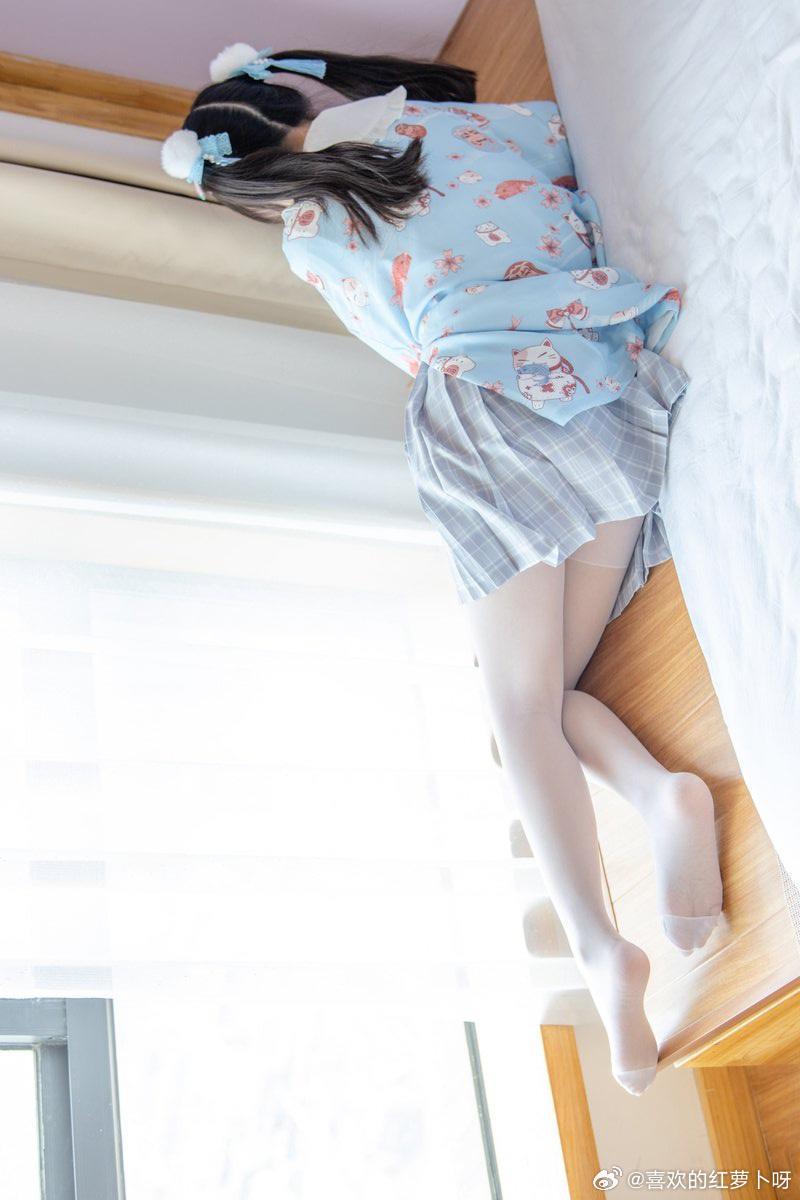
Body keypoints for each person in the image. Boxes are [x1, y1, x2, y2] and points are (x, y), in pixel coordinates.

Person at [160, 45, 724, 1096]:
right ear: (299, 93)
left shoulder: (312, 232)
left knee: (516, 709)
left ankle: (602, 942)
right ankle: (658, 800)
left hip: (488, 404)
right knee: (536, 695)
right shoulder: (451, 125)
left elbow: (405, 344)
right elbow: (561, 148)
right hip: (606, 376)